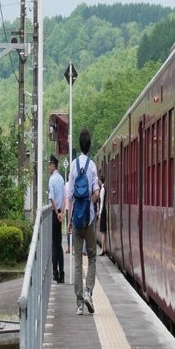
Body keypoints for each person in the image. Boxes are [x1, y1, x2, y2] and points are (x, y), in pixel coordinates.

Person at [65, 127, 100, 316]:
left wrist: (70, 220)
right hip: (90, 219)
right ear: (90, 145)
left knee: (77, 260)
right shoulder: (92, 166)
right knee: (92, 257)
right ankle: (88, 292)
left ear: (79, 145)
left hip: (76, 220)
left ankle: (79, 303)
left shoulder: (72, 165)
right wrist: (93, 201)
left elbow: (70, 195)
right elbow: (95, 191)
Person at [48, 154, 65, 283]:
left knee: (54, 245)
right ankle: (62, 274)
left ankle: (55, 273)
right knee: (59, 245)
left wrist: (56, 213)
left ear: (53, 165)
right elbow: (64, 198)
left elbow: (52, 198)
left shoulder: (52, 179)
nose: (48, 167)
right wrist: (62, 213)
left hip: (55, 215)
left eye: (49, 164)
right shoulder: (61, 179)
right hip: (60, 214)